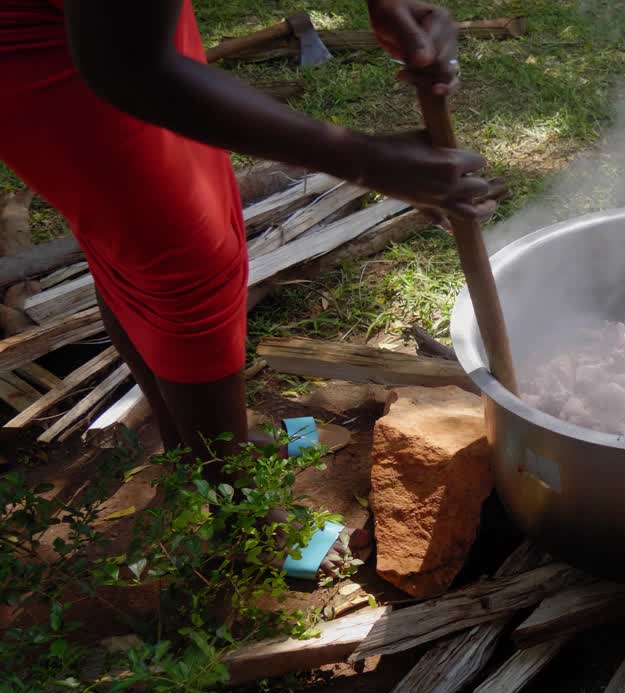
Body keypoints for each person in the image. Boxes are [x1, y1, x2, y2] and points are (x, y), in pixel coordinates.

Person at [0, 0, 489, 579]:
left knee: (137, 237)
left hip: (110, 23)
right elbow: (129, 68)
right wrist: (364, 159)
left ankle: (192, 446)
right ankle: (241, 509)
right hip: (47, 47)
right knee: (185, 257)